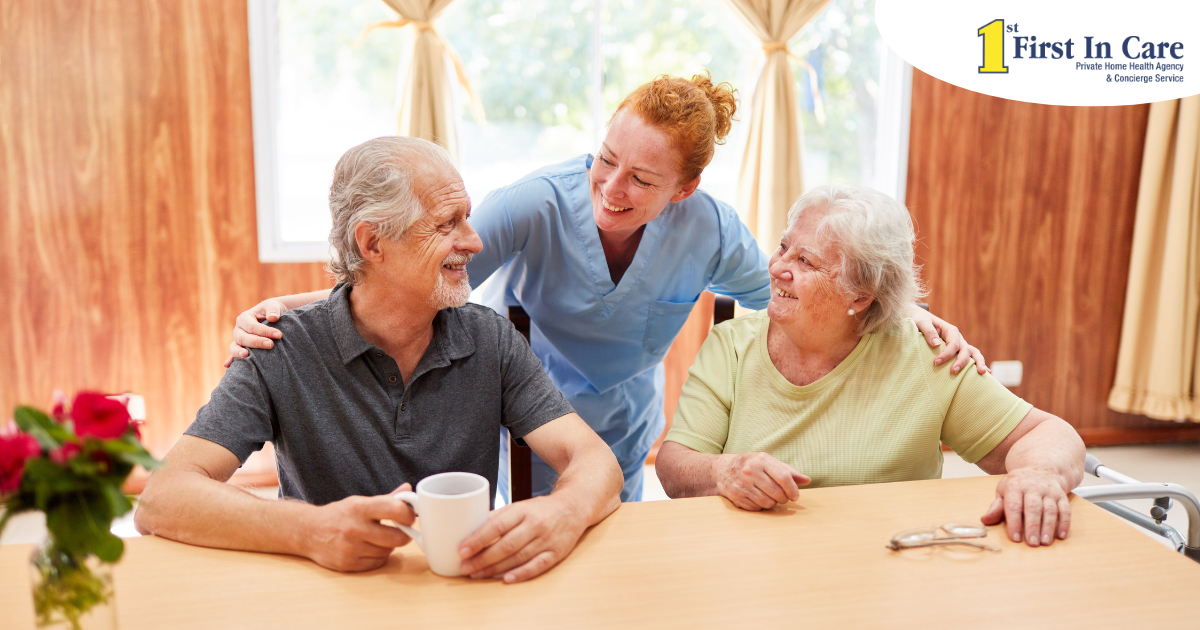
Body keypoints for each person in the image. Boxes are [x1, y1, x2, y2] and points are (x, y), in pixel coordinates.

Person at [224, 74, 987, 503]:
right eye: (604, 159)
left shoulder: (711, 229)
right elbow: (417, 273)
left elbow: (799, 288)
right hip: (520, 401)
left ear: (684, 190)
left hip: (622, 419)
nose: (611, 188)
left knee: (607, 537)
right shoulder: (534, 204)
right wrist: (291, 310)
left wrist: (908, 314)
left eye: (642, 179)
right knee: (513, 527)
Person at [135, 137, 623, 582]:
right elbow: (162, 498)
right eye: (446, 223)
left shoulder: (489, 339)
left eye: (467, 218)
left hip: (462, 590)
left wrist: (564, 512)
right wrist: (309, 529)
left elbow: (595, 460)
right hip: (325, 595)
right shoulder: (278, 348)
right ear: (372, 243)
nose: (474, 241)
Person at [655, 184, 1085, 547]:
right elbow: (675, 466)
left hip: (889, 564)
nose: (778, 268)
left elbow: (1046, 433)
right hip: (753, 560)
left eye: (806, 261)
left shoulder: (924, 355)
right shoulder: (731, 347)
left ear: (860, 297)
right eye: (784, 247)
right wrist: (723, 471)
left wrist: (1038, 474)